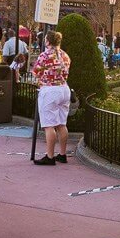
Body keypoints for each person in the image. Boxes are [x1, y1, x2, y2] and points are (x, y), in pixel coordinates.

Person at [32, 31, 71, 166]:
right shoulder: (65, 55)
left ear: (48, 41)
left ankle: (50, 156)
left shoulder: (45, 55)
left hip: (50, 90)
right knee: (61, 123)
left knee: (49, 125)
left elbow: (35, 72)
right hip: (64, 89)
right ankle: (62, 154)